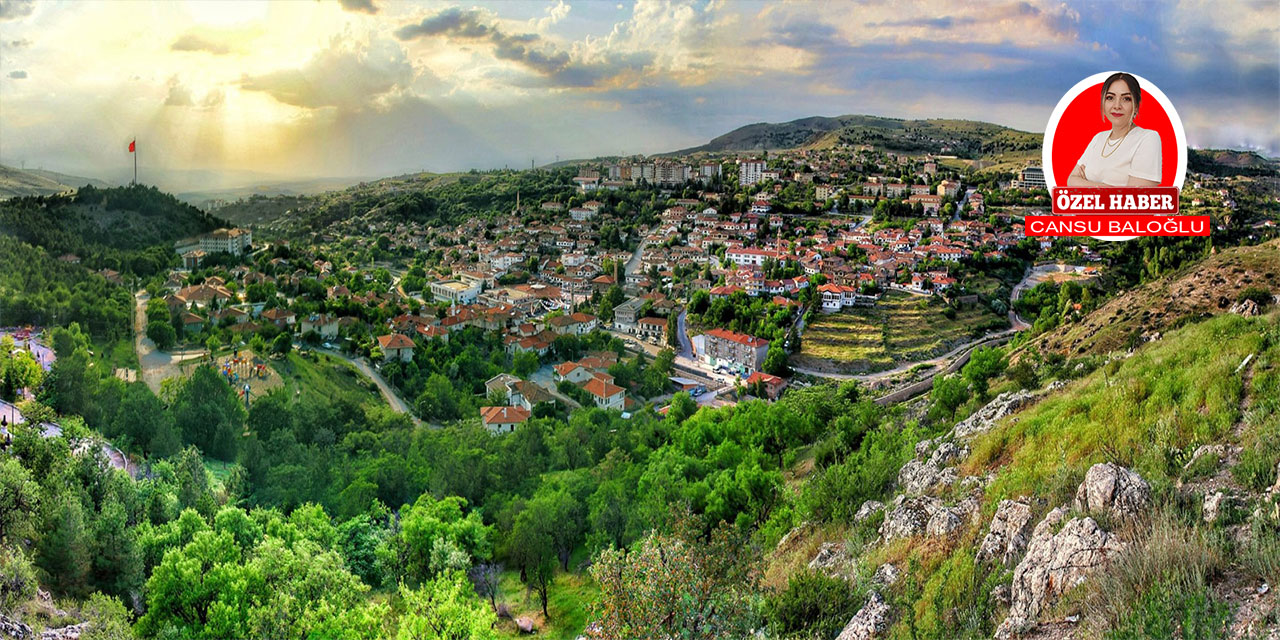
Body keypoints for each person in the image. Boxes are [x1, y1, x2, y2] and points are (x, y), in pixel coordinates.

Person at [1067, 72, 1162, 187]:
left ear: (1136, 106)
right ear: (1103, 102)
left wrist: (1085, 183)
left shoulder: (1147, 138)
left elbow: (1135, 199)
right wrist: (1110, 188)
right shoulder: (1098, 138)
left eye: (1126, 99)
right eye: (1110, 98)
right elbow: (1071, 180)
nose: (1117, 105)